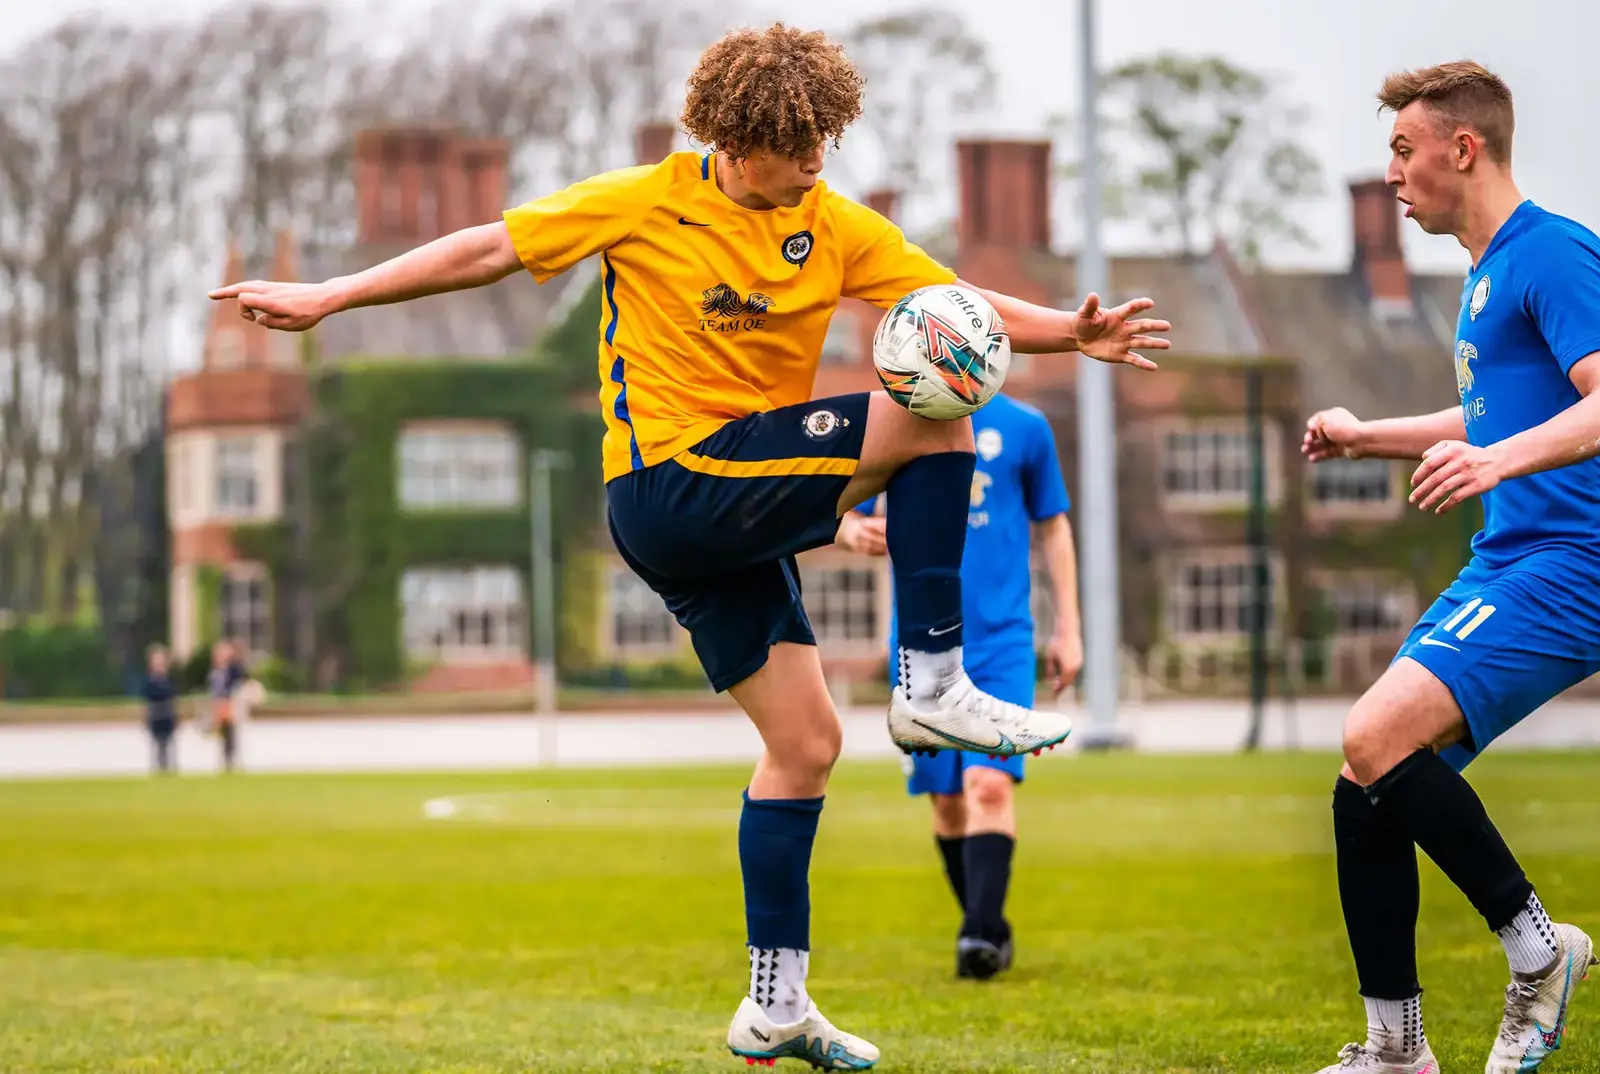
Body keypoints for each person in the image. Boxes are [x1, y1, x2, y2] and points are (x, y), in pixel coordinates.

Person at [207, 23, 1170, 1068]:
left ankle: (775, 1004)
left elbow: (958, 307)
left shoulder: (832, 223)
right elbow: (489, 246)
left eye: (824, 148)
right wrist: (330, 296)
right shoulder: (641, 200)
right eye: (796, 151)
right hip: (671, 479)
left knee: (804, 747)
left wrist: (1071, 333)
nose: (814, 168)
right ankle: (933, 676)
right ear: (736, 138)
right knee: (943, 413)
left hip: (721, 507)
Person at [1301, 61, 1599, 1074]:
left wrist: (1496, 461)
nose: (1390, 173)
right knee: (1363, 779)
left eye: (1400, 149)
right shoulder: (1482, 276)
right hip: (1507, 556)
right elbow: (1486, 419)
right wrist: (1363, 436)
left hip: (1569, 563)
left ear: (1460, 149)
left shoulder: (1550, 254)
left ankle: (1538, 950)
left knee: (1373, 732)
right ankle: (1395, 1051)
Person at [835, 391, 1081, 981]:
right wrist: (849, 533)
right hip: (921, 643)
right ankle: (990, 925)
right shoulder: (892, 420)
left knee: (988, 785)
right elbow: (838, 505)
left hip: (1003, 641)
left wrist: (1069, 628)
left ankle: (976, 937)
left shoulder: (1027, 426)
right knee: (947, 804)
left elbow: (1054, 528)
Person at [140, 645, 179, 775]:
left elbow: (173, 698)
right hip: (156, 714)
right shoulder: (149, 681)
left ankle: (169, 768)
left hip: (167, 713)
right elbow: (146, 701)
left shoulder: (168, 680)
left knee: (169, 744)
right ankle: (158, 768)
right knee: (156, 744)